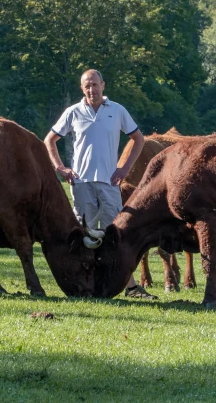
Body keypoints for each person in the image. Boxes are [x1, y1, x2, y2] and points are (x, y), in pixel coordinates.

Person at [44, 69, 157, 299]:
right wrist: (60, 168)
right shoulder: (73, 112)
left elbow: (139, 139)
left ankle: (130, 287)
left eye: (95, 84)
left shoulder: (117, 111)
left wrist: (124, 169)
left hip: (109, 183)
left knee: (115, 236)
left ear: (103, 85)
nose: (91, 89)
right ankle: (81, 285)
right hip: (81, 183)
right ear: (82, 88)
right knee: (83, 237)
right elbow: (50, 140)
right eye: (87, 86)